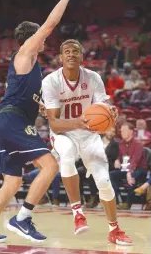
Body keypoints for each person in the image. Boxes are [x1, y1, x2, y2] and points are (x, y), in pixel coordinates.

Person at [0, 0, 80, 244]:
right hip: (11, 121)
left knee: (12, 182)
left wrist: (42, 107)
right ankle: (22, 218)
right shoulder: (25, 53)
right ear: (33, 37)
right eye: (40, 35)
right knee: (50, 165)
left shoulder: (30, 65)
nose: (45, 39)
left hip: (7, 120)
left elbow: (24, 96)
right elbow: (51, 24)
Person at [42, 39, 133, 245]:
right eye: (67, 51)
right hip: (65, 132)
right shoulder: (50, 81)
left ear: (82, 57)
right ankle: (77, 213)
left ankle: (115, 229)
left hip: (89, 133)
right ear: (61, 57)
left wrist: (110, 112)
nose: (71, 54)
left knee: (103, 181)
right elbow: (55, 124)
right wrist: (78, 123)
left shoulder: (93, 78)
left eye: (76, 51)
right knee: (66, 155)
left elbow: (103, 106)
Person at [110, 123, 147, 210]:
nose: (122, 132)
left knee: (133, 176)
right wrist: (117, 160)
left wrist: (129, 172)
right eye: (121, 131)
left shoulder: (138, 144)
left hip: (139, 169)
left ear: (131, 132)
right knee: (112, 174)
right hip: (126, 169)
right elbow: (120, 155)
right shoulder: (121, 143)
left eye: (124, 131)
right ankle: (118, 201)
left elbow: (135, 161)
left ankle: (128, 203)